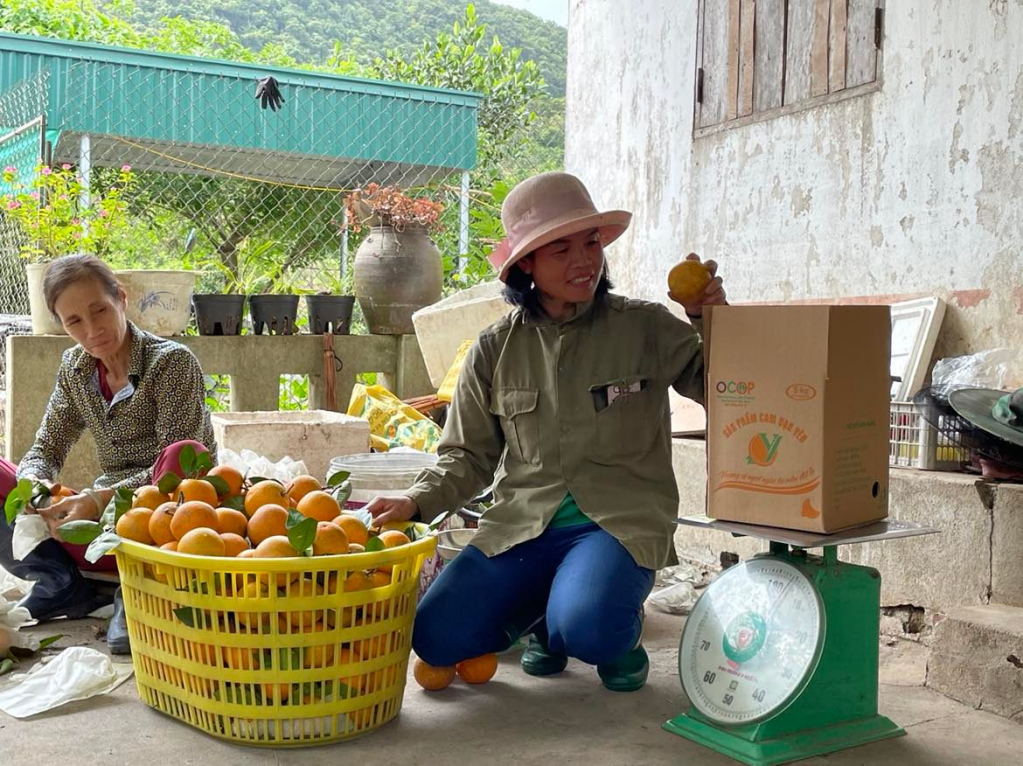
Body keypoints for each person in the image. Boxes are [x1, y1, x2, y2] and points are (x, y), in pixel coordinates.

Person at [368, 172, 726, 691]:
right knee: (435, 636)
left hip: (615, 526)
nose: (583, 261)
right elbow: (466, 457)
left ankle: (605, 633)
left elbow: (726, 390)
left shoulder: (645, 327)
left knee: (589, 627)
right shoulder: (493, 350)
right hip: (522, 526)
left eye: (591, 243)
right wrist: (414, 501)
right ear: (525, 265)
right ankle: (544, 617)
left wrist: (709, 319)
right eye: (560, 249)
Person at [0, 255, 217, 652]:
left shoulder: (170, 364)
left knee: (182, 457)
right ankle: (61, 584)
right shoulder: (76, 368)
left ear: (120, 298)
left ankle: (135, 593)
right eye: (74, 321)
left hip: (168, 525)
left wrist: (100, 499)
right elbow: (45, 447)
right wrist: (37, 487)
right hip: (101, 528)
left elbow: (179, 470)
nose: (92, 330)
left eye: (99, 310)